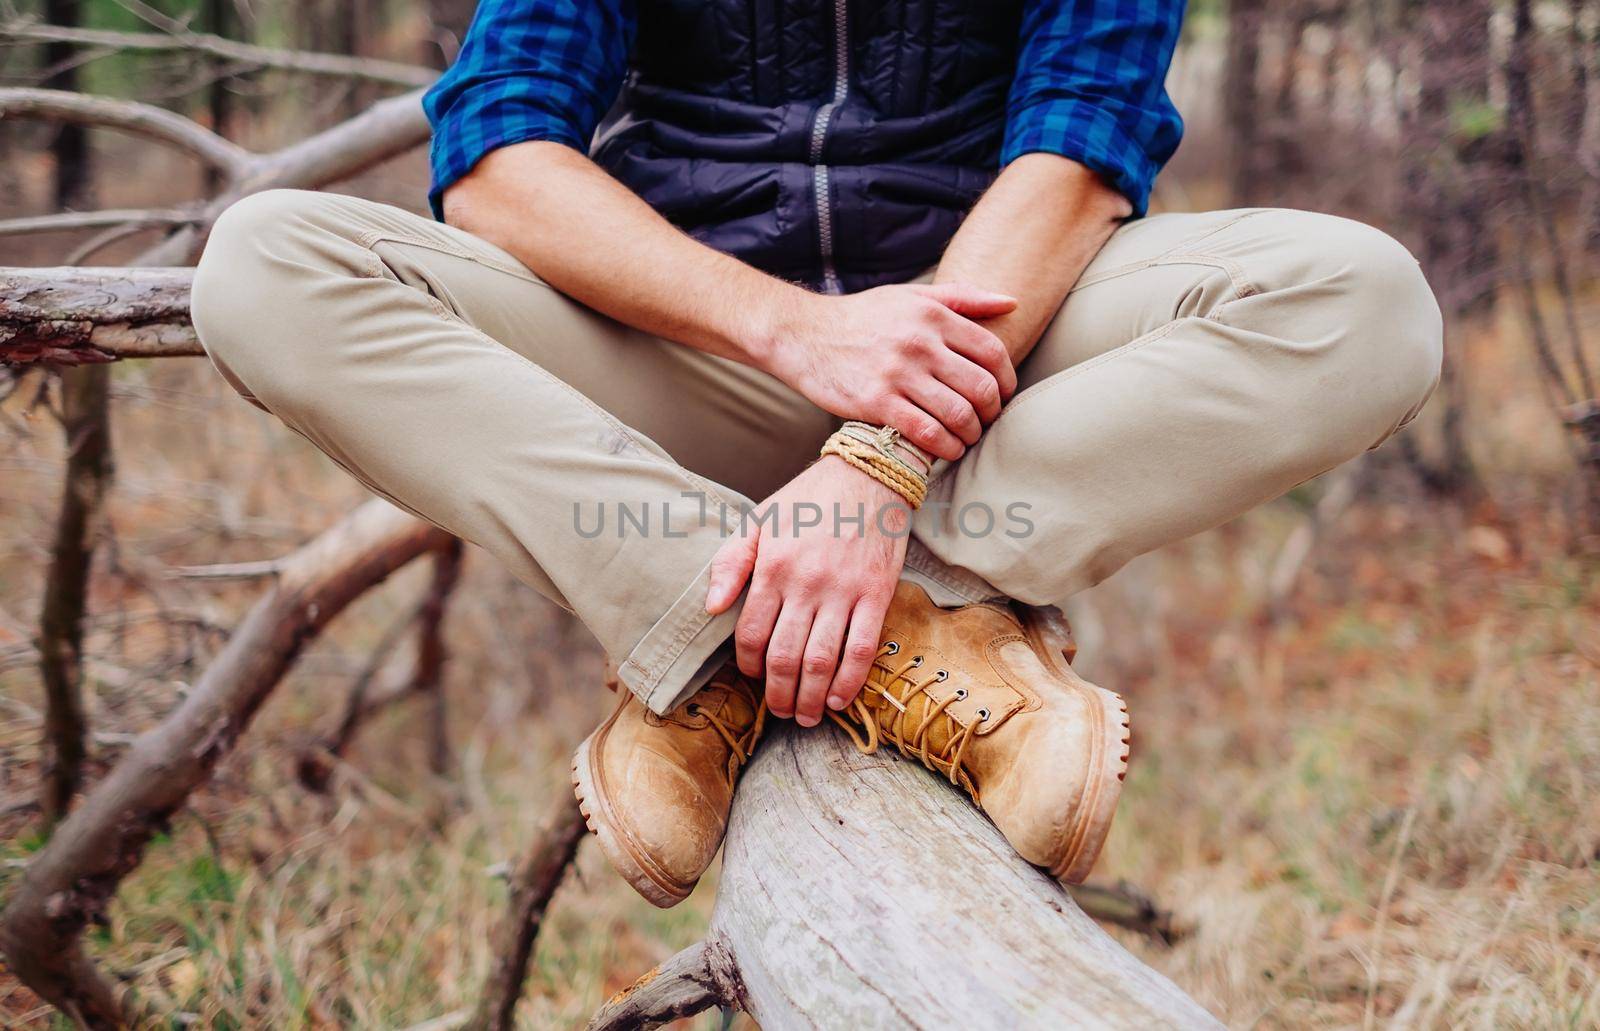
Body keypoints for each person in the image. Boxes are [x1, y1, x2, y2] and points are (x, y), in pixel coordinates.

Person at [190, 0, 1443, 908]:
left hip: (988, 351)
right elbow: (496, 161)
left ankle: (820, 617)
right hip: (682, 339)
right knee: (265, 263)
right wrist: (793, 328)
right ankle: (778, 633)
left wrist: (876, 467)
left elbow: (1077, 152)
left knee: (1361, 300)